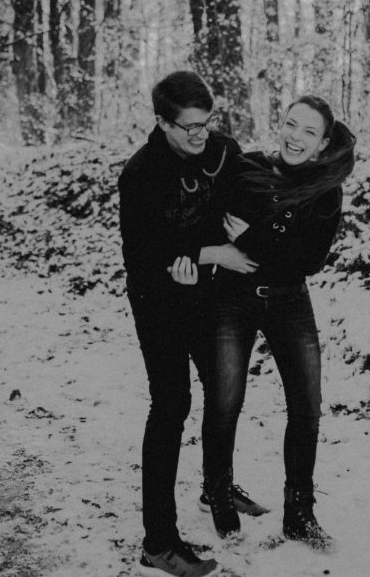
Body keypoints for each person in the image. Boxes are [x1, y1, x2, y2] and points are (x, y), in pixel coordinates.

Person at [118, 71, 264, 577]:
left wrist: (243, 226)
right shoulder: (141, 173)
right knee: (171, 404)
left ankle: (215, 487)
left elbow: (248, 195)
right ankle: (158, 542)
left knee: (225, 388)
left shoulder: (221, 149)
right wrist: (209, 253)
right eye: (189, 127)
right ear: (162, 122)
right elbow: (141, 255)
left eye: (207, 123)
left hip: (206, 293)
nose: (201, 135)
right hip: (156, 298)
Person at [198, 94, 355, 548]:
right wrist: (244, 246)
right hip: (232, 299)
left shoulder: (325, 190)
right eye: (291, 124)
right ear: (280, 124)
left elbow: (310, 260)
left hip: (289, 301)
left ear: (323, 143)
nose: (296, 137)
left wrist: (252, 239)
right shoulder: (247, 168)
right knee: (225, 400)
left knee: (307, 408)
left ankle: (299, 513)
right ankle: (217, 492)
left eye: (309, 131)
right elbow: (214, 224)